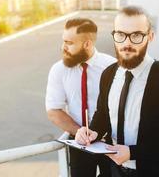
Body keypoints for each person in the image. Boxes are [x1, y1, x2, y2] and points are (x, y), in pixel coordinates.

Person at [75, 6, 159, 177]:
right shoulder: (108, 74)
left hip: (152, 172)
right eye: (121, 35)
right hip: (111, 170)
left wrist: (133, 152)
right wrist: (91, 132)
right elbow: (103, 116)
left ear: (150, 37)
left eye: (136, 35)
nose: (127, 43)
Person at [45, 18, 116, 177]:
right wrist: (78, 132)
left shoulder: (112, 67)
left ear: (87, 44)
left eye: (69, 42)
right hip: (78, 141)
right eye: (63, 41)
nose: (63, 47)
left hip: (111, 140)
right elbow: (53, 111)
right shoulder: (58, 70)